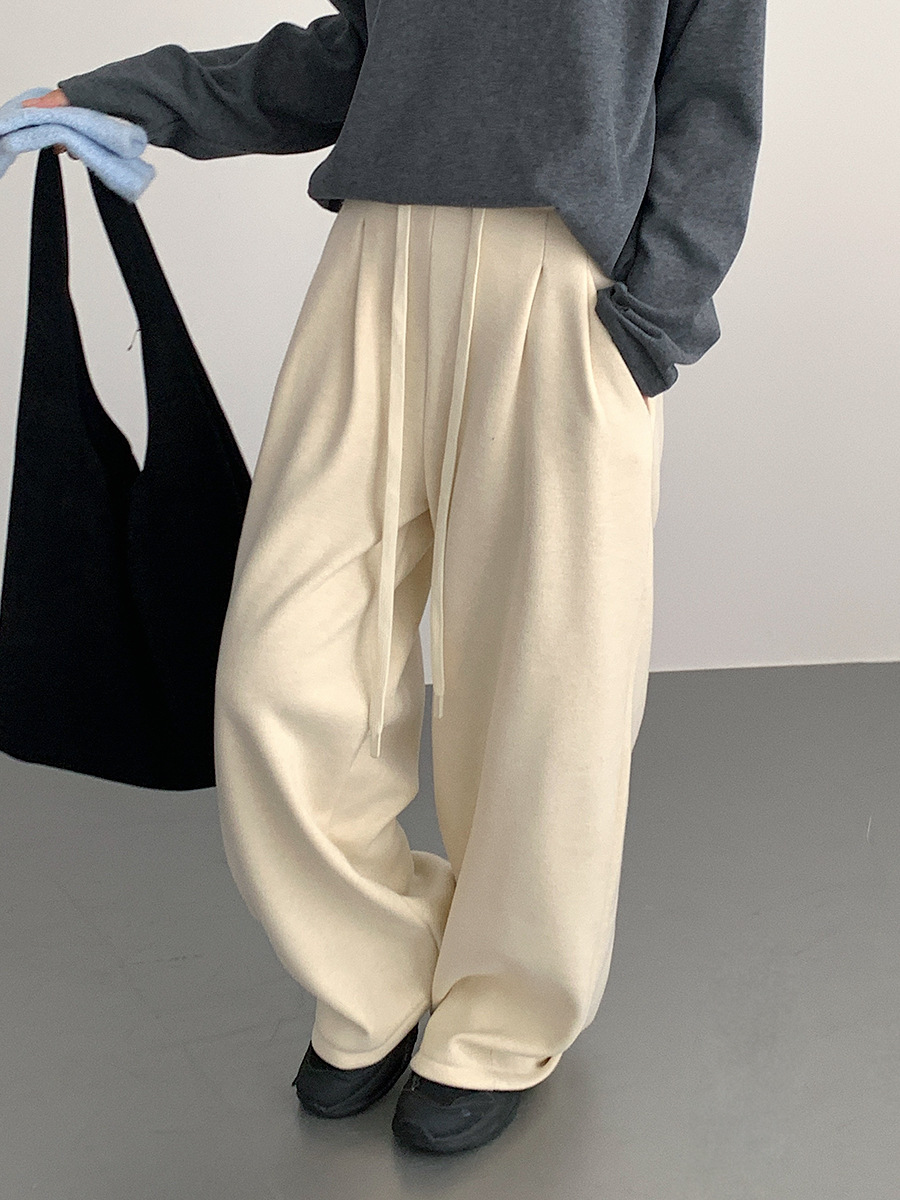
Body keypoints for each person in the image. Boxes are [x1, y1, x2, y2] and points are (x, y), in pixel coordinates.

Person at [23, 0, 766, 1155]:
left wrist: (652, 318)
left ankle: (503, 1016)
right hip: (374, 259)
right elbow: (362, 57)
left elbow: (710, 97)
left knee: (548, 687)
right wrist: (130, 95)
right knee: (278, 671)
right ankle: (373, 972)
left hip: (564, 282)